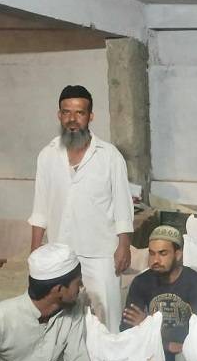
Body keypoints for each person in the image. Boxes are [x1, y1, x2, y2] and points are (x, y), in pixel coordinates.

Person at [28, 85, 134, 333]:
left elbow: (122, 204)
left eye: (80, 113)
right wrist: (34, 249)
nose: (73, 120)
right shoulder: (47, 155)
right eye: (67, 113)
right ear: (59, 116)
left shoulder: (109, 156)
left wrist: (124, 245)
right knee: (63, 321)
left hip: (101, 253)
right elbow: (40, 205)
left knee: (106, 318)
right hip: (61, 253)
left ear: (90, 116)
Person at [121, 226, 197, 361]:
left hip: (184, 351)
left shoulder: (195, 282)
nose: (155, 261)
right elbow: (127, 330)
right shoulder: (141, 282)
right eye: (152, 253)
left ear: (178, 254)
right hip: (152, 349)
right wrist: (165, 343)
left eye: (163, 253)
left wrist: (147, 325)